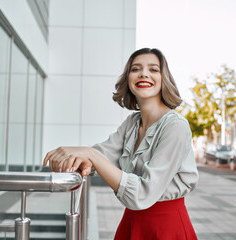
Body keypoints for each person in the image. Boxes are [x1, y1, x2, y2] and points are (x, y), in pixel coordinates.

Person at [43, 48, 199, 240]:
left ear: (164, 78)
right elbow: (101, 155)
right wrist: (75, 156)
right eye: (136, 69)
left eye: (153, 69)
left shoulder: (176, 126)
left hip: (165, 227)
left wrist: (88, 154)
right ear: (128, 78)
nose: (143, 73)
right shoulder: (133, 123)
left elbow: (142, 193)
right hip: (131, 221)